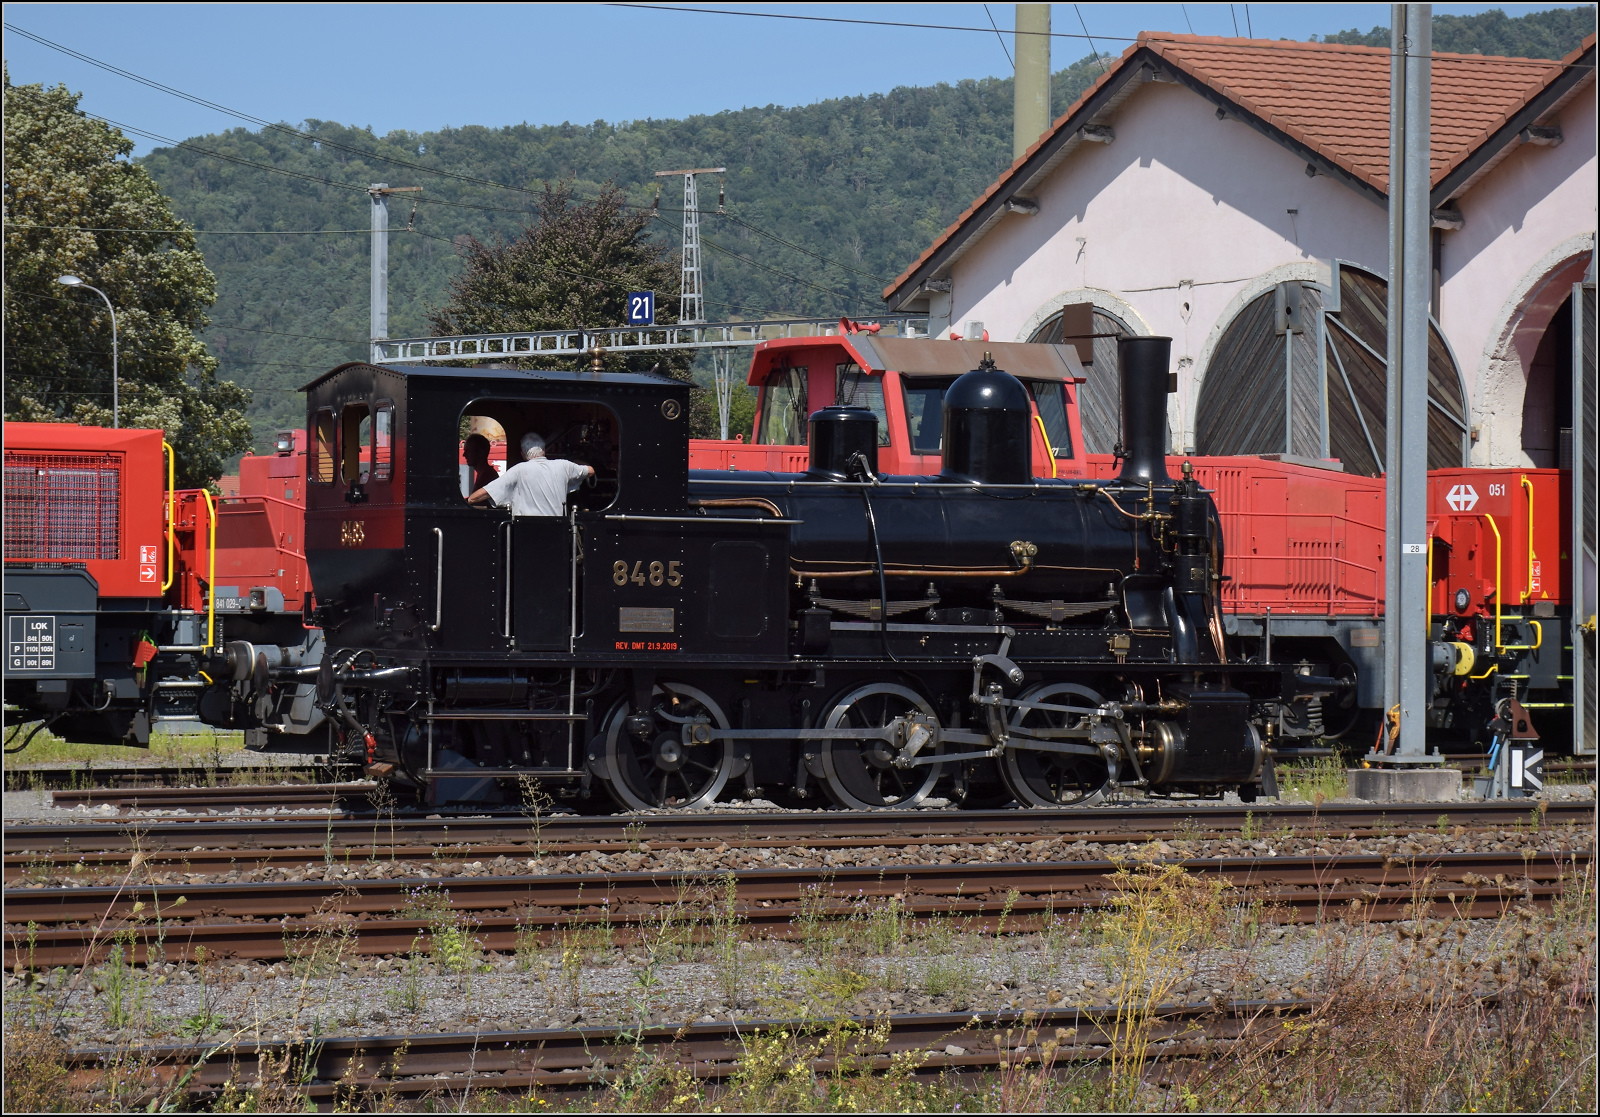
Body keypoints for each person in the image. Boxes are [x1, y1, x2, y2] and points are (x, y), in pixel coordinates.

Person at [468, 432, 593, 516]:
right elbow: (590, 470)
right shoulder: (564, 465)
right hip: (557, 532)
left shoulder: (519, 470)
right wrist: (575, 460)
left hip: (526, 532)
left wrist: (469, 501)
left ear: (522, 455)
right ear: (544, 450)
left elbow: (485, 493)